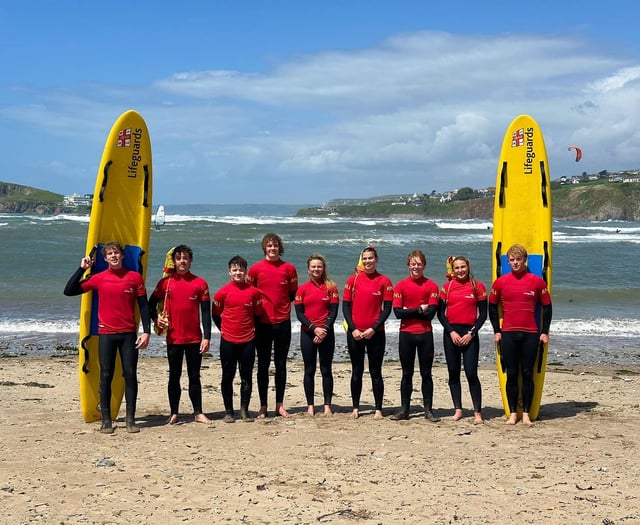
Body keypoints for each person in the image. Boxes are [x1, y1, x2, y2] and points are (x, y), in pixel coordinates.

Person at [64, 241, 150, 434]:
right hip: (106, 334)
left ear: (122, 256)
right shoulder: (98, 278)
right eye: (109, 254)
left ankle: (130, 420)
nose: (113, 256)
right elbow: (69, 291)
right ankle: (106, 421)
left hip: (128, 334)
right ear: (105, 259)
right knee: (106, 375)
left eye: (116, 253)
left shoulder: (134, 278)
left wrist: (146, 332)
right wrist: (82, 269)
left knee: (130, 375)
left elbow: (143, 306)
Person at [488, 243, 552, 426]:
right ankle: (513, 414)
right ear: (507, 261)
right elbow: (491, 306)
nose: (515, 263)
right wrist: (496, 330)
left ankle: (526, 413)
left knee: (527, 373)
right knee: (512, 373)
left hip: (531, 333)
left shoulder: (537, 281)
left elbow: (547, 307)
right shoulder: (500, 282)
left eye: (518, 259)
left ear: (525, 260)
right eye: (512, 260)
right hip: (508, 333)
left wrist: (544, 332)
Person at [148, 245, 212, 426]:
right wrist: (156, 319)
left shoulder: (200, 283)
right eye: (179, 258)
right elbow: (149, 305)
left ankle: (198, 413)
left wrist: (207, 337)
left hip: (194, 339)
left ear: (190, 260)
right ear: (174, 261)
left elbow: (206, 313)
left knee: (194, 376)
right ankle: (174, 413)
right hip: (174, 338)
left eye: (185, 258)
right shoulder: (165, 283)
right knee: (174, 376)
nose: (182, 261)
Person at [248, 233, 298, 419]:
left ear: (280, 248)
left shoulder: (289, 269)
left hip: (283, 322)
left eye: (275, 246)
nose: (272, 248)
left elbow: (292, 294)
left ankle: (280, 405)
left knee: (281, 364)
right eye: (269, 246)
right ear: (264, 248)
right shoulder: (254, 270)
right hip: (262, 323)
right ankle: (263, 406)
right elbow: (250, 295)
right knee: (262, 365)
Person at [342, 246, 393, 420]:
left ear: (376, 259)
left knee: (375, 371)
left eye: (370, 258)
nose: (367, 261)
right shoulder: (353, 279)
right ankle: (356, 407)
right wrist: (353, 328)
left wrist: (373, 328)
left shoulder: (384, 281)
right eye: (364, 258)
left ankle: (378, 408)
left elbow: (387, 309)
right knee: (356, 370)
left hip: (376, 333)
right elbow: (345, 307)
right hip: (355, 333)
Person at [213, 255, 264, 423]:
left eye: (241, 269)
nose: (238, 272)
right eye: (234, 270)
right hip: (228, 340)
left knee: (246, 376)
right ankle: (228, 411)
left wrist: (251, 331)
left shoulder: (254, 293)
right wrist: (224, 330)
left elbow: (257, 315)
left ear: (246, 271)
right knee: (227, 376)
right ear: (229, 272)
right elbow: (215, 315)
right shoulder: (222, 293)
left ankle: (244, 411)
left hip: (248, 340)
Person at [391, 250, 440, 422]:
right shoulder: (400, 286)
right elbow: (397, 313)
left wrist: (409, 311)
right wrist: (420, 309)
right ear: (408, 265)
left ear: (424, 265)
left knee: (426, 374)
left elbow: (431, 314)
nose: (416, 267)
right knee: (406, 373)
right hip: (406, 335)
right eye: (413, 264)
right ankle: (404, 410)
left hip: (425, 335)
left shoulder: (432, 286)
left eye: (419, 264)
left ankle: (428, 410)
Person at [437, 256, 487, 425]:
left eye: (463, 267)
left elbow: (483, 314)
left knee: (471, 373)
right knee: (453, 371)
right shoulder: (447, 287)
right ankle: (458, 409)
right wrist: (451, 332)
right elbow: (440, 314)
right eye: (456, 268)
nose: (460, 270)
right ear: (453, 269)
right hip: (451, 334)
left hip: (469, 334)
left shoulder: (477, 286)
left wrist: (471, 333)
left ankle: (477, 412)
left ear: (468, 267)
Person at [294, 254, 340, 417]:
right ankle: (310, 405)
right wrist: (314, 329)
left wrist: (324, 330)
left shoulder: (331, 287)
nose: (316, 269)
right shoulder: (302, 289)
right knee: (309, 370)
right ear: (308, 269)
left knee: (326, 369)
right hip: (308, 334)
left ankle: (327, 405)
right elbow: (299, 314)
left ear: (323, 268)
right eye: (313, 267)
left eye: (319, 266)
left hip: (327, 333)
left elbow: (334, 312)